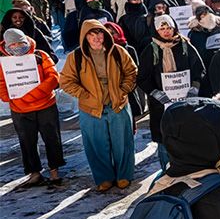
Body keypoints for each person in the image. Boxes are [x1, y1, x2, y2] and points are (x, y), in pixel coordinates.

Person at [59, 20, 138, 191]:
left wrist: (123, 90)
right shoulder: (76, 57)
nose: (96, 38)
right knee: (96, 145)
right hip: (91, 109)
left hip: (117, 104)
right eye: (91, 34)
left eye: (99, 33)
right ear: (84, 37)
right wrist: (84, 95)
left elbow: (131, 72)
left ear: (105, 34)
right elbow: (66, 81)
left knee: (123, 143)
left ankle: (124, 175)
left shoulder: (117, 51)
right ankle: (104, 178)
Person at [137, 15, 205, 170]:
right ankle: (167, 170)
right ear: (156, 30)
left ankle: (187, 168)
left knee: (186, 135)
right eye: (162, 29)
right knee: (164, 138)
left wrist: (194, 87)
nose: (166, 31)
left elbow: (199, 69)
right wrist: (155, 93)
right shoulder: (151, 50)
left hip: (185, 101)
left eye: (169, 28)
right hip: (161, 105)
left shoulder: (185, 46)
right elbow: (142, 77)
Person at [0, 28, 65, 186]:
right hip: (20, 110)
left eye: (21, 43)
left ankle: (54, 171)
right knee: (27, 142)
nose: (18, 47)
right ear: (7, 46)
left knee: (52, 138)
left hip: (46, 106)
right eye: (13, 44)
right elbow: (2, 84)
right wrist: (7, 96)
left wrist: (30, 95)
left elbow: (53, 78)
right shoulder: (3, 62)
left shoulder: (40, 56)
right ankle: (34, 173)